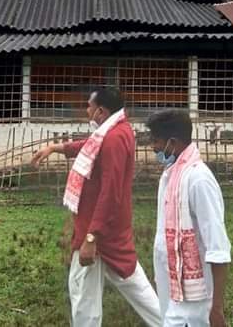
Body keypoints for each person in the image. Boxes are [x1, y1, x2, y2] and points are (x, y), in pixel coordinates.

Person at [31, 87, 161, 327]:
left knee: (84, 296)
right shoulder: (116, 131)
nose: (86, 110)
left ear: (101, 111)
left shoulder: (112, 138)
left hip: (98, 230)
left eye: (89, 106)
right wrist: (54, 148)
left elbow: (111, 192)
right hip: (108, 228)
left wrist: (92, 237)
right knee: (133, 286)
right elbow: (88, 146)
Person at [146, 109, 231, 327]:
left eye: (156, 140)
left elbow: (218, 248)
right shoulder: (171, 176)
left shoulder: (198, 179)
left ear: (172, 142)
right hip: (174, 291)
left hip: (195, 300)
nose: (153, 147)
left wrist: (217, 309)